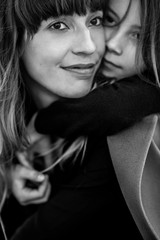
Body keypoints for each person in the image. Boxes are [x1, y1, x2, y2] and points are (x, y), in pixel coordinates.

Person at [1, 0, 160, 239]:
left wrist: (42, 124)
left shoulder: (117, 137)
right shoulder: (12, 113)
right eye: (58, 26)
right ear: (13, 36)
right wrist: (6, 179)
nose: (89, 46)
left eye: (94, 21)